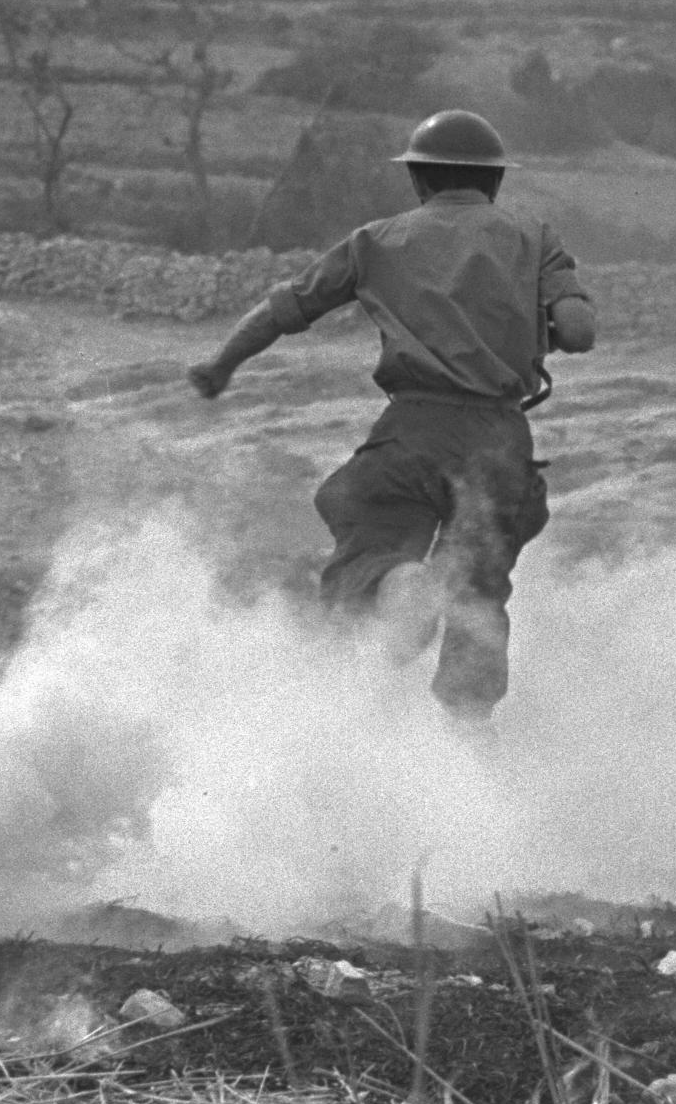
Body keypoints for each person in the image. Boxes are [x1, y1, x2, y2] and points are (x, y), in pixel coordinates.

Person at [189, 111, 595, 714]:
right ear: (494, 183)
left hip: (414, 430)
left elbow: (282, 310)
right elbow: (579, 332)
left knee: (370, 535)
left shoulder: (376, 240)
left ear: (420, 181)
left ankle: (401, 584)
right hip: (499, 441)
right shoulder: (533, 236)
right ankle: (469, 734)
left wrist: (221, 365)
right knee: (480, 591)